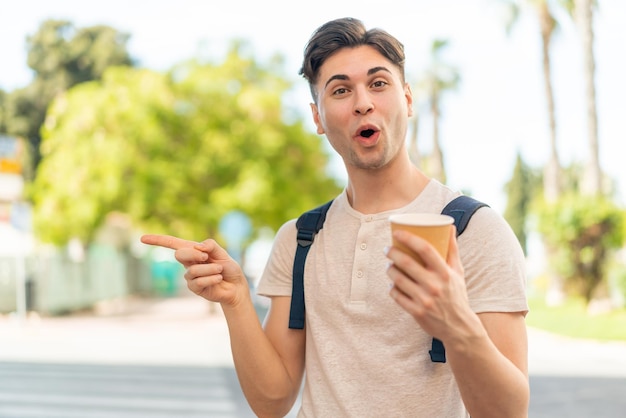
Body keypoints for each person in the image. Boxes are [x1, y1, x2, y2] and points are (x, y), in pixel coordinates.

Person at [141, 17, 529, 417]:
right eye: (341, 90)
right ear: (318, 118)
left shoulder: (473, 231)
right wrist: (236, 301)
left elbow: (508, 412)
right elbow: (271, 401)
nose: (363, 102)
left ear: (408, 99)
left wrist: (455, 324)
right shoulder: (300, 239)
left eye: (379, 83)